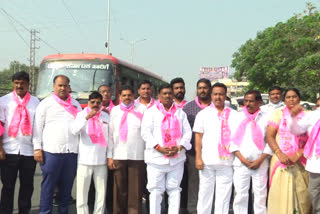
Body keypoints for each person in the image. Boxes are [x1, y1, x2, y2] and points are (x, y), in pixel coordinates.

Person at [33, 75, 82, 214]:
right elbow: (37, 128)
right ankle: (45, 212)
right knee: (48, 188)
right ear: (54, 87)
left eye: (65, 85)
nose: (62, 88)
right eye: (60, 85)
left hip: (71, 152)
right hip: (51, 152)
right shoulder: (45, 104)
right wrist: (37, 149)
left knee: (66, 189)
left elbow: (81, 125)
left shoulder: (76, 104)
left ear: (69, 87)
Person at [141, 84, 192, 214]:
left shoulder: (180, 113)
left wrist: (179, 147)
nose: (167, 96)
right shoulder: (151, 112)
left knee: (174, 190)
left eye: (170, 93)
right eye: (164, 93)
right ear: (159, 96)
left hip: (176, 159)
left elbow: (187, 132)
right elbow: (146, 132)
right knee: (156, 191)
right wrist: (159, 148)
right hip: (156, 159)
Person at [193, 83, 238, 214]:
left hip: (227, 162)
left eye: (221, 94)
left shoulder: (235, 115)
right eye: (215, 94)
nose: (218, 97)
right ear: (211, 95)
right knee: (205, 195)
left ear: (225, 96)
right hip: (207, 161)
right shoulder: (203, 114)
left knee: (223, 197)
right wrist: (198, 158)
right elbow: (198, 137)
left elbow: (237, 138)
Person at [266, 88, 312, 214]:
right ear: (284, 100)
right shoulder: (277, 114)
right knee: (279, 193)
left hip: (301, 160)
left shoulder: (308, 115)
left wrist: (298, 154)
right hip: (281, 159)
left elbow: (312, 139)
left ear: (299, 98)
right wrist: (279, 153)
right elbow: (269, 136)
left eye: (294, 96)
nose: (291, 99)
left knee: (303, 196)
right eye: (288, 97)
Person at [0, 71, 39, 214]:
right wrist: (0, 149)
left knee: (27, 186)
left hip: (29, 151)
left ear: (28, 84)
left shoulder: (36, 102)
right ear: (13, 84)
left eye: (22, 83)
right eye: (16, 83)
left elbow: (38, 127)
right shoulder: (4, 101)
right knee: (8, 186)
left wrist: (38, 149)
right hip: (9, 150)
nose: (19, 85)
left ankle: (24, 211)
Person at [230, 90, 272, 214]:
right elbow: (231, 141)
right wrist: (243, 160)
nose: (248, 104)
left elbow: (270, 140)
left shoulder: (267, 117)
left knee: (260, 195)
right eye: (246, 101)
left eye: (251, 101)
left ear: (259, 102)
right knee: (240, 195)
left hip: (261, 163)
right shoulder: (237, 117)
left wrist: (260, 160)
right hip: (241, 162)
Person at [107, 85, 146, 214]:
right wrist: (110, 156)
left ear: (134, 96)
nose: (127, 98)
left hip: (137, 155)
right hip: (119, 154)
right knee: (119, 190)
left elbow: (146, 133)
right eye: (124, 95)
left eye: (129, 95)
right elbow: (110, 134)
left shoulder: (142, 109)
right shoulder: (115, 111)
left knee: (135, 191)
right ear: (120, 97)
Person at [72, 91, 109, 214]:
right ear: (88, 103)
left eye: (98, 102)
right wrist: (87, 118)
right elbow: (74, 131)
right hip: (84, 160)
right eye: (92, 102)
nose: (95, 104)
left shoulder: (106, 116)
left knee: (101, 193)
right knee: (82, 193)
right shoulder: (81, 115)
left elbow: (110, 138)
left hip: (101, 160)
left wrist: (110, 157)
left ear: (101, 103)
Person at [181, 78, 211, 214]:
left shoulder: (216, 106)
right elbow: (183, 130)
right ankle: (193, 210)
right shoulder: (188, 107)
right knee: (194, 183)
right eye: (200, 88)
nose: (202, 90)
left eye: (205, 88)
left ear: (209, 89)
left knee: (210, 183)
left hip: (213, 152)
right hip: (193, 152)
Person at [288, 99, 320, 214]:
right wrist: (292, 117)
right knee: (314, 195)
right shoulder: (313, 115)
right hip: (316, 164)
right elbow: (295, 130)